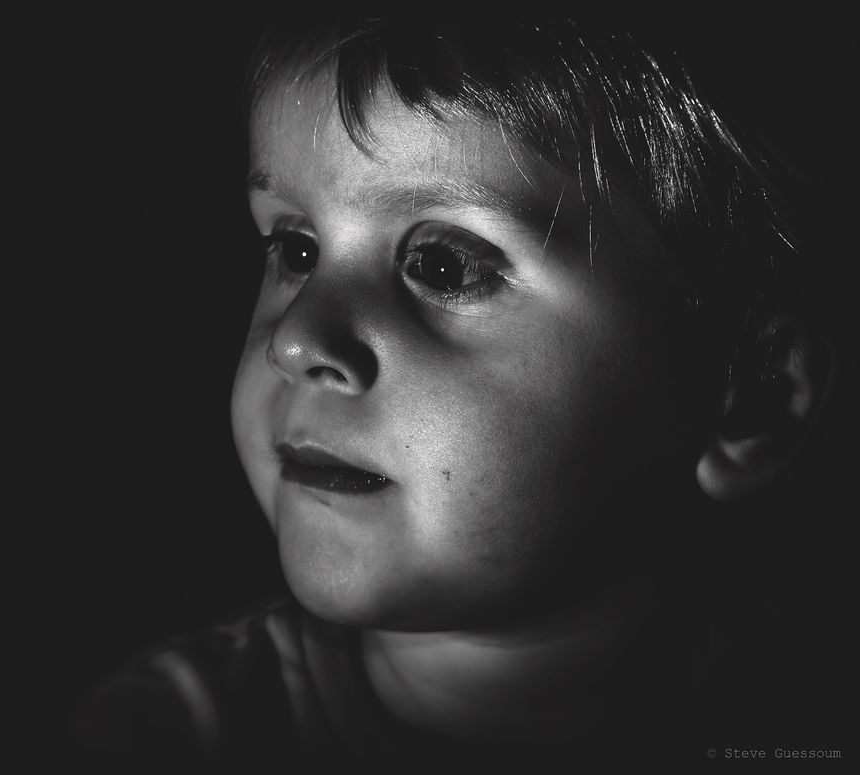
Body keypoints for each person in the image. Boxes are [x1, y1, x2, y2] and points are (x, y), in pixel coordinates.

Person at [68, 14, 853, 767]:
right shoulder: (165, 741)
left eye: (444, 265)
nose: (296, 339)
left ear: (748, 395)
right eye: (295, 248)